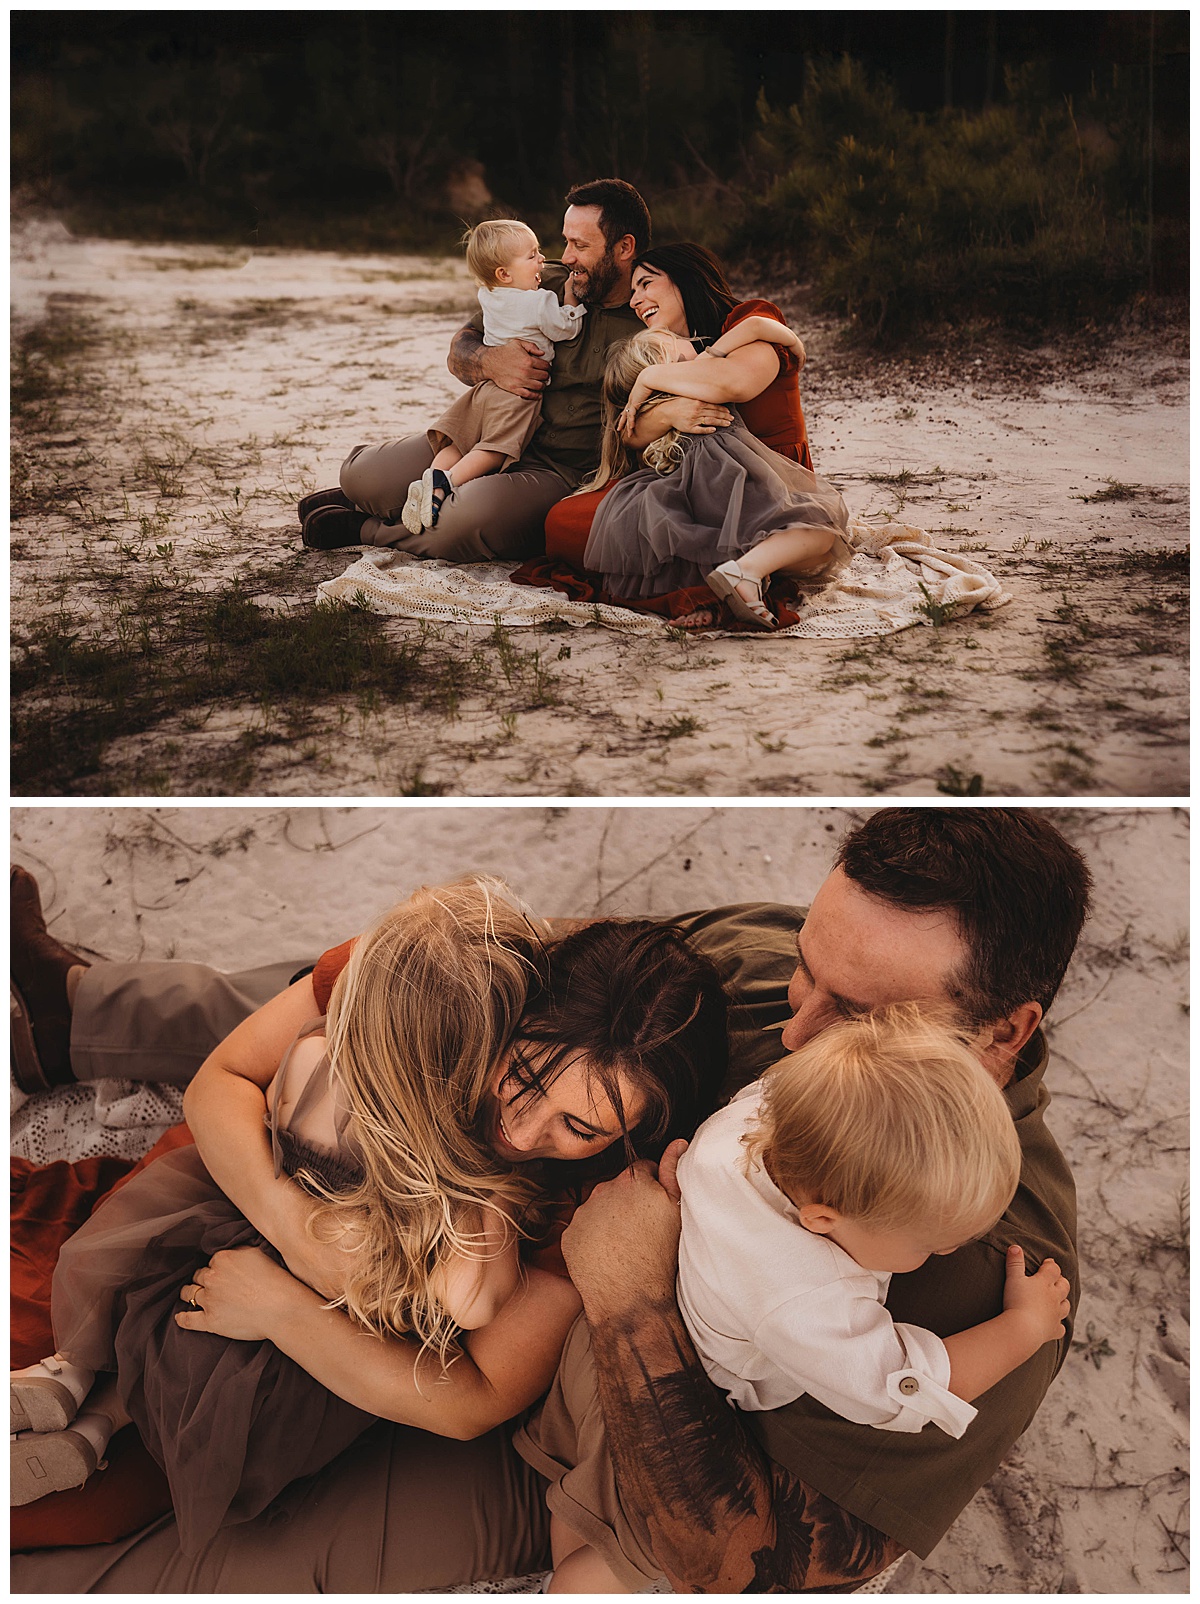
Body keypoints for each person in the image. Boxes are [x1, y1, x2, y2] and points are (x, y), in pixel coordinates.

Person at [10, 809, 1088, 1592]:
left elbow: (750, 1564)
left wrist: (627, 1298)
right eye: (807, 970)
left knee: (191, 1556)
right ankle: (70, 1014)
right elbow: (552, 974)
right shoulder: (780, 971)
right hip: (477, 1234)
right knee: (423, 999)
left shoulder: (989, 1259)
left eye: (855, 1011)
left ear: (1003, 1030)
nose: (798, 1029)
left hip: (578, 1445)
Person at [10, 876, 727, 1558]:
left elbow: (473, 1397)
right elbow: (225, 1078)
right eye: (523, 1078)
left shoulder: (579, 1204)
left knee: (137, 1471)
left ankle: (101, 1417)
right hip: (255, 1193)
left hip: (336, 1337)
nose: (522, 1127)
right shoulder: (439, 987)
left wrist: (286, 1307)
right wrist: (293, 1227)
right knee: (99, 1288)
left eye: (579, 1127)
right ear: (510, 1009)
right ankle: (65, 1018)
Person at [547, 1004, 1071, 1591]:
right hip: (650, 1396)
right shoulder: (807, 1292)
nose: (944, 1255)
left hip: (586, 1350)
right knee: (603, 1569)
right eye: (928, 1246)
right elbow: (898, 1384)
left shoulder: (761, 1110)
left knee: (582, 1514)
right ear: (822, 1218)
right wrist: (1026, 1324)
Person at [297, 179, 716, 561]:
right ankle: (368, 499)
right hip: (487, 429)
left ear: (624, 248)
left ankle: (366, 527)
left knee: (461, 523)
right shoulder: (542, 281)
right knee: (360, 475)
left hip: (555, 469)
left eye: (580, 246)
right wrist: (489, 361)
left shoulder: (656, 311)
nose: (566, 256)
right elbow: (460, 348)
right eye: (565, 241)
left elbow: (731, 338)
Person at [515, 242, 826, 628]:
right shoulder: (668, 348)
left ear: (685, 279)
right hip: (696, 477)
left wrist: (650, 379)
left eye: (646, 284)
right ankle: (724, 576)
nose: (635, 301)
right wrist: (669, 411)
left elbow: (736, 384)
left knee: (806, 532)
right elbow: (629, 434)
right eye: (632, 292)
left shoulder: (746, 320)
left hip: (767, 479)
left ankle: (723, 579)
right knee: (564, 521)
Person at [572, 329, 850, 628]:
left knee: (704, 555)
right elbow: (756, 324)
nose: (691, 343)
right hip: (726, 482)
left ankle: (726, 589)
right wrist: (794, 342)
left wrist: (646, 379)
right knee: (822, 527)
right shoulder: (702, 381)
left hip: (681, 497)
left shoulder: (670, 397)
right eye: (678, 344)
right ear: (672, 365)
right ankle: (746, 572)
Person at [397, 219, 587, 537]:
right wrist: (570, 300)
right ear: (504, 273)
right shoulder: (538, 301)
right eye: (532, 255)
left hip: (488, 387)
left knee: (461, 442)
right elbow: (565, 329)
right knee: (495, 448)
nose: (542, 259)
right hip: (517, 394)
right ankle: (448, 482)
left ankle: (431, 477)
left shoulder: (489, 295)